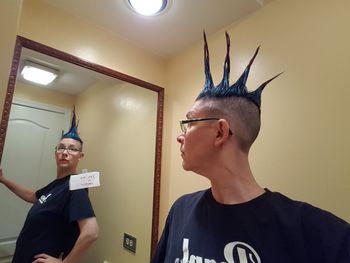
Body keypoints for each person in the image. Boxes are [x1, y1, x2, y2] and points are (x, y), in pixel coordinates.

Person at [152, 32, 350, 263]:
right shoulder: (181, 211)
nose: (180, 136)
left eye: (188, 123)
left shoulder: (314, 232)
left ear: (220, 132)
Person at [0, 108, 98, 263]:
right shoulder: (57, 184)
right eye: (61, 147)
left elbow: (91, 232)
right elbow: (33, 196)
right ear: (55, 152)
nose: (65, 152)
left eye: (72, 149)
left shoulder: (76, 185)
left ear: (80, 156)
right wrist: (4, 180)